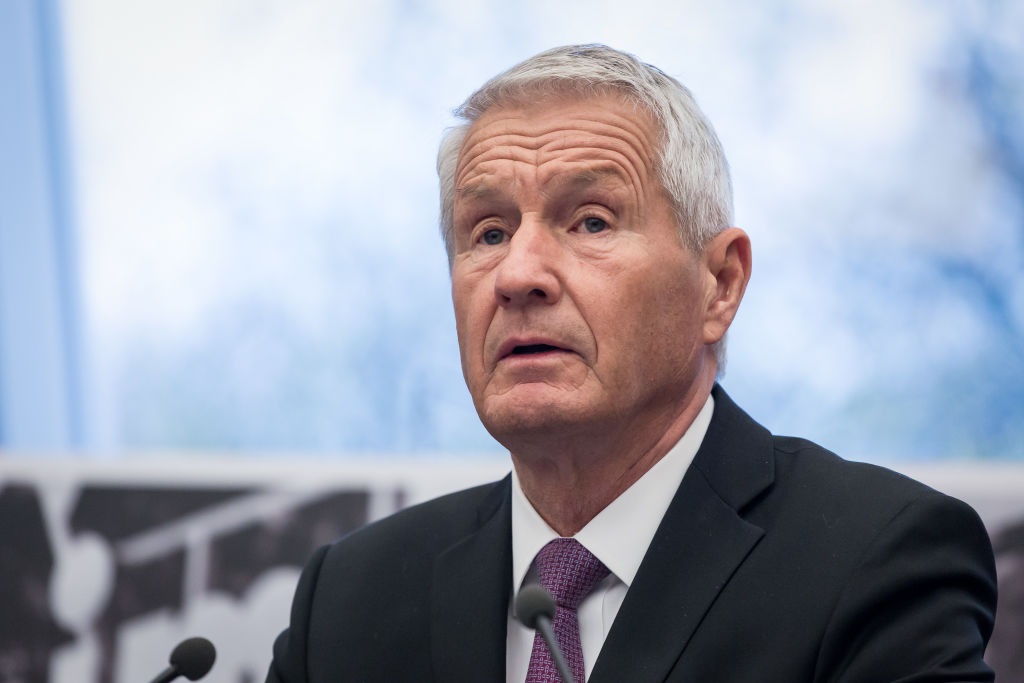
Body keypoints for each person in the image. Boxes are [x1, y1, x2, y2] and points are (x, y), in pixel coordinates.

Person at [266, 44, 997, 682]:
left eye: (591, 221)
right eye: (488, 233)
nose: (518, 275)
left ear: (719, 284)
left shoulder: (875, 562)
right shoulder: (350, 599)